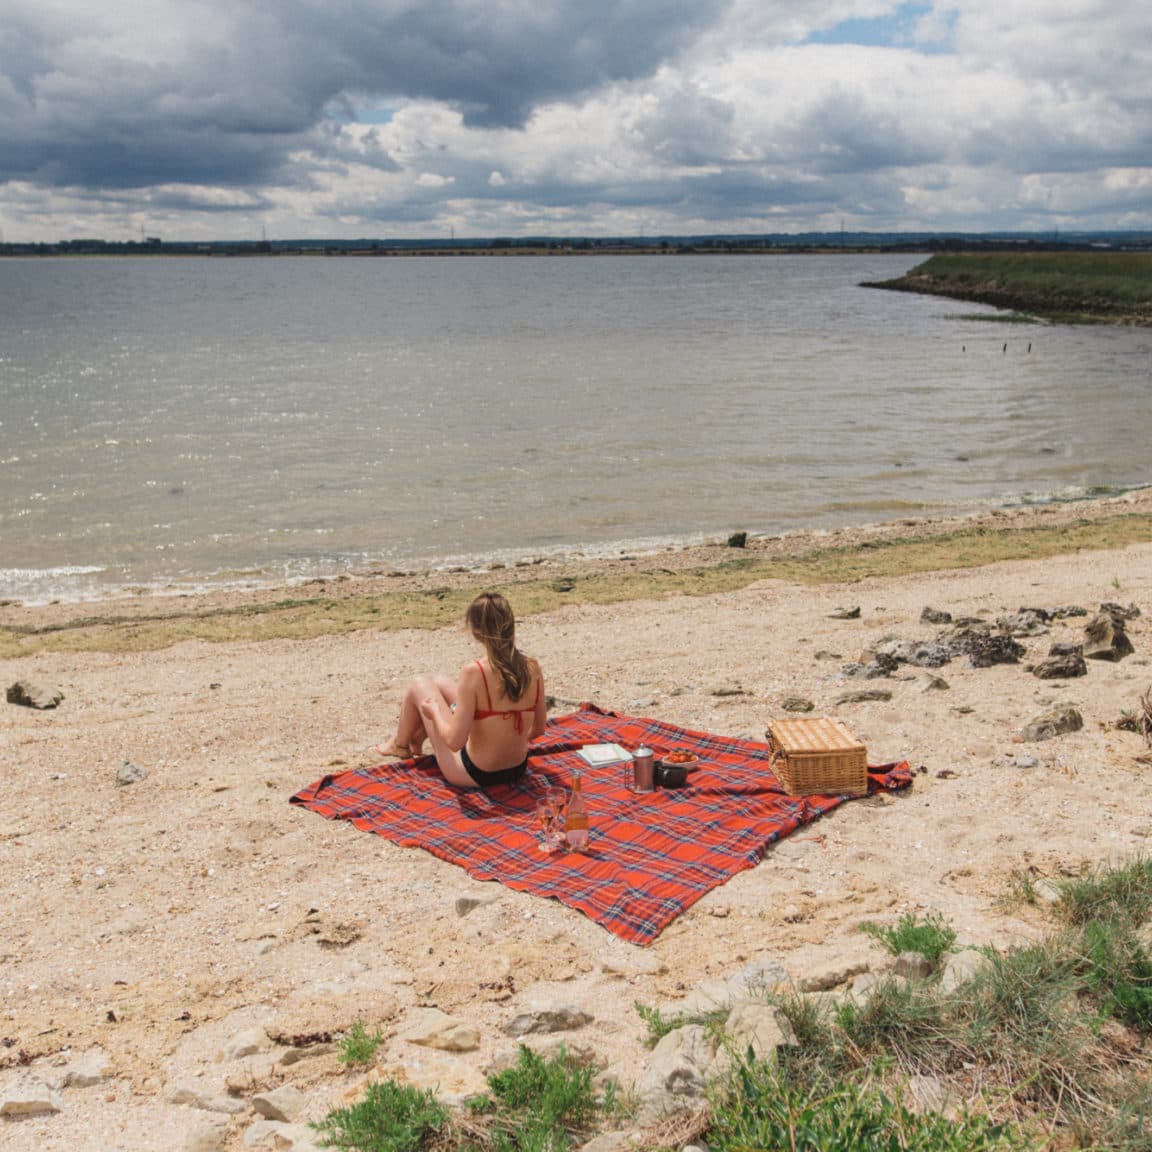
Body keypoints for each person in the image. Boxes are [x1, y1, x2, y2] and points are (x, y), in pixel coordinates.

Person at [376, 592, 546, 789]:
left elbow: (455, 742)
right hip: (517, 769)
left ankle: (400, 745)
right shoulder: (532, 667)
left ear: (476, 630)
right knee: (440, 682)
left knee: (419, 684)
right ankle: (413, 740)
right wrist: (501, 735)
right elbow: (539, 729)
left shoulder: (474, 672)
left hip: (476, 774)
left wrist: (436, 714)